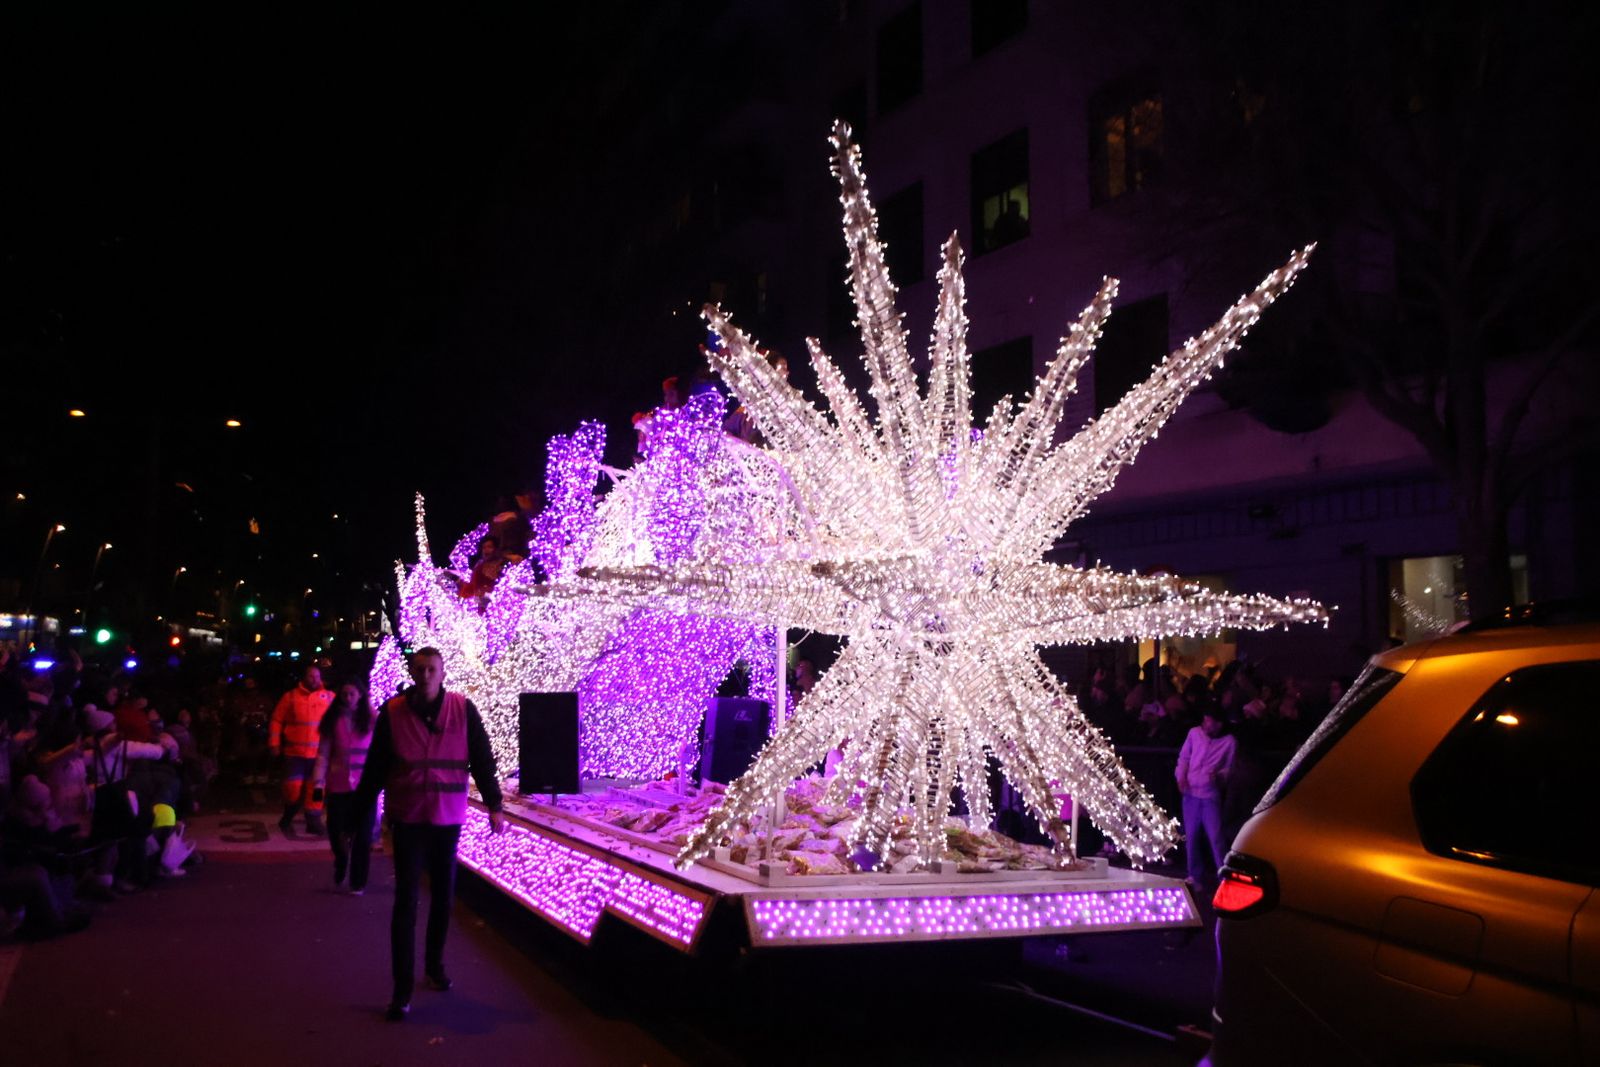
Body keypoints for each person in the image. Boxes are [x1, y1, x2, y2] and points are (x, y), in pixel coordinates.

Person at [355, 647, 504, 1021]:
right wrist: (359, 814)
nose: (424, 676)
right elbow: (376, 767)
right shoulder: (393, 712)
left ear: (441, 673)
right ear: (412, 671)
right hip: (408, 820)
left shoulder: (462, 709)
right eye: (419, 669)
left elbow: (482, 758)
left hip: (447, 820)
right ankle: (401, 991)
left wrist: (494, 804)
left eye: (431, 669)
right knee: (406, 902)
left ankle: (434, 966)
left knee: (442, 898)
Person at [312, 683, 376, 894]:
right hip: (338, 786)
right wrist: (318, 783)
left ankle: (358, 882)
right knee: (336, 829)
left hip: (364, 787)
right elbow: (323, 753)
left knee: (363, 835)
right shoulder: (333, 722)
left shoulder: (371, 720)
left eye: (352, 694)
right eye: (344, 694)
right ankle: (341, 859)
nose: (348, 698)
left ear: (360, 696)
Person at [1175, 709, 1237, 894]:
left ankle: (1224, 877)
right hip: (1191, 793)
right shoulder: (1195, 733)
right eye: (1205, 719)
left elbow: (1229, 769)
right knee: (1191, 836)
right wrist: (1181, 777)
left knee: (1216, 838)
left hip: (1210, 795)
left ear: (1219, 723)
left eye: (1210, 721)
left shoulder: (1229, 742)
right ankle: (1194, 875)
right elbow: (1184, 758)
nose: (1206, 724)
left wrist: (1217, 777)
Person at [270, 665, 334, 835]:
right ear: (304, 677)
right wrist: (274, 743)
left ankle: (313, 820)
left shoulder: (329, 697)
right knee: (293, 789)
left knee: (317, 790)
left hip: (319, 756)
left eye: (317, 676)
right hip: (294, 754)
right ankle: (289, 813)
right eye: (311, 676)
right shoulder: (290, 697)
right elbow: (277, 720)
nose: (314, 679)